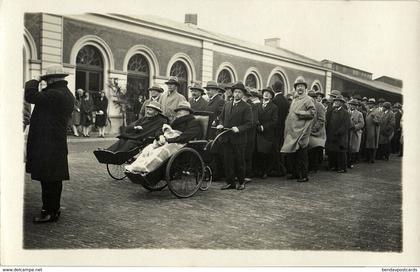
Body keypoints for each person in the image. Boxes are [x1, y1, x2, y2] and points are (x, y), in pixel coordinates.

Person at [24, 64, 75, 223]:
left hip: (48, 144)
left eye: (46, 79)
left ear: (51, 79)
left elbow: (30, 95)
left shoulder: (55, 94)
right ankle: (54, 209)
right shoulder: (65, 93)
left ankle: (48, 211)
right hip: (55, 143)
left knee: (48, 180)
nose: (44, 82)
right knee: (53, 179)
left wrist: (35, 80)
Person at [126, 101, 202, 173]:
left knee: (160, 151)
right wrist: (160, 136)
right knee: (149, 148)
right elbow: (162, 129)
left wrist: (169, 140)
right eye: (178, 110)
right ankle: (136, 167)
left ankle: (146, 169)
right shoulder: (176, 121)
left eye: (181, 110)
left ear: (187, 112)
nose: (178, 112)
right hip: (169, 140)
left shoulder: (193, 122)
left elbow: (186, 136)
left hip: (181, 144)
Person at [217, 82, 252, 190]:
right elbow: (221, 117)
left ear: (243, 94)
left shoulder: (246, 107)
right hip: (226, 138)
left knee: (239, 161)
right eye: (235, 92)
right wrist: (221, 124)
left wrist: (239, 128)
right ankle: (230, 182)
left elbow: (249, 123)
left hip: (239, 139)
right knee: (228, 161)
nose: (237, 94)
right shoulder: (227, 104)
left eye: (239, 92)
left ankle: (241, 182)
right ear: (232, 93)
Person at [281, 76, 315, 182]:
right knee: (293, 154)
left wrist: (301, 113)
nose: (300, 88)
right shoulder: (295, 100)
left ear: (305, 88)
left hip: (302, 132)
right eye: (298, 86)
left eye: (302, 86)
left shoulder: (308, 99)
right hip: (292, 132)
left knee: (302, 155)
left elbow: (312, 113)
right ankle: (295, 173)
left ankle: (304, 175)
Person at [255, 87, 278, 178]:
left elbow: (274, 121)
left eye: (269, 93)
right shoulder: (257, 105)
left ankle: (265, 171)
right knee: (258, 152)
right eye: (265, 93)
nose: (266, 94)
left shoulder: (274, 107)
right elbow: (254, 117)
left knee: (265, 153)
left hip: (267, 133)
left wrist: (264, 127)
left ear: (271, 96)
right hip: (257, 132)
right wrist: (257, 125)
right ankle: (258, 170)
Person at [325, 95, 351, 173]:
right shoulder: (332, 111)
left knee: (341, 152)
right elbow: (328, 122)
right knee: (332, 151)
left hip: (341, 136)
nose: (336, 102)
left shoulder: (345, 113)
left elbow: (346, 125)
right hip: (331, 135)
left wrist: (338, 133)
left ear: (341, 103)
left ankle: (342, 168)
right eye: (335, 101)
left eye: (338, 101)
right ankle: (334, 166)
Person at [271, 80, 289, 176]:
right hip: (283, 128)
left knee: (276, 149)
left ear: (274, 89)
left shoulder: (274, 101)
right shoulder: (286, 101)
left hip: (275, 129)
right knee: (281, 148)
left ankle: (279, 170)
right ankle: (282, 168)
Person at [307, 90, 326, 173]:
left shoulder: (319, 106)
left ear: (314, 98)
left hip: (317, 133)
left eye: (311, 97)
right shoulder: (307, 105)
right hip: (308, 132)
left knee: (314, 150)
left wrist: (314, 129)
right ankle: (311, 167)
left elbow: (321, 119)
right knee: (309, 151)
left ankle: (314, 167)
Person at [347, 99, 365, 168]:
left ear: (356, 106)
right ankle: (347, 161)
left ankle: (351, 162)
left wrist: (355, 127)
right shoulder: (347, 112)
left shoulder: (359, 114)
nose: (352, 106)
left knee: (353, 148)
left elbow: (362, 123)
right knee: (347, 147)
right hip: (347, 132)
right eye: (351, 104)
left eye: (353, 105)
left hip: (355, 133)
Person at [364, 98, 381, 163]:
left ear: (373, 105)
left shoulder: (377, 111)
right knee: (368, 144)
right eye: (369, 104)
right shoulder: (368, 111)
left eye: (371, 104)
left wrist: (374, 118)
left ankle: (372, 158)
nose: (369, 105)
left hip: (373, 130)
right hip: (368, 129)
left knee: (373, 145)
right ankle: (367, 158)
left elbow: (379, 122)